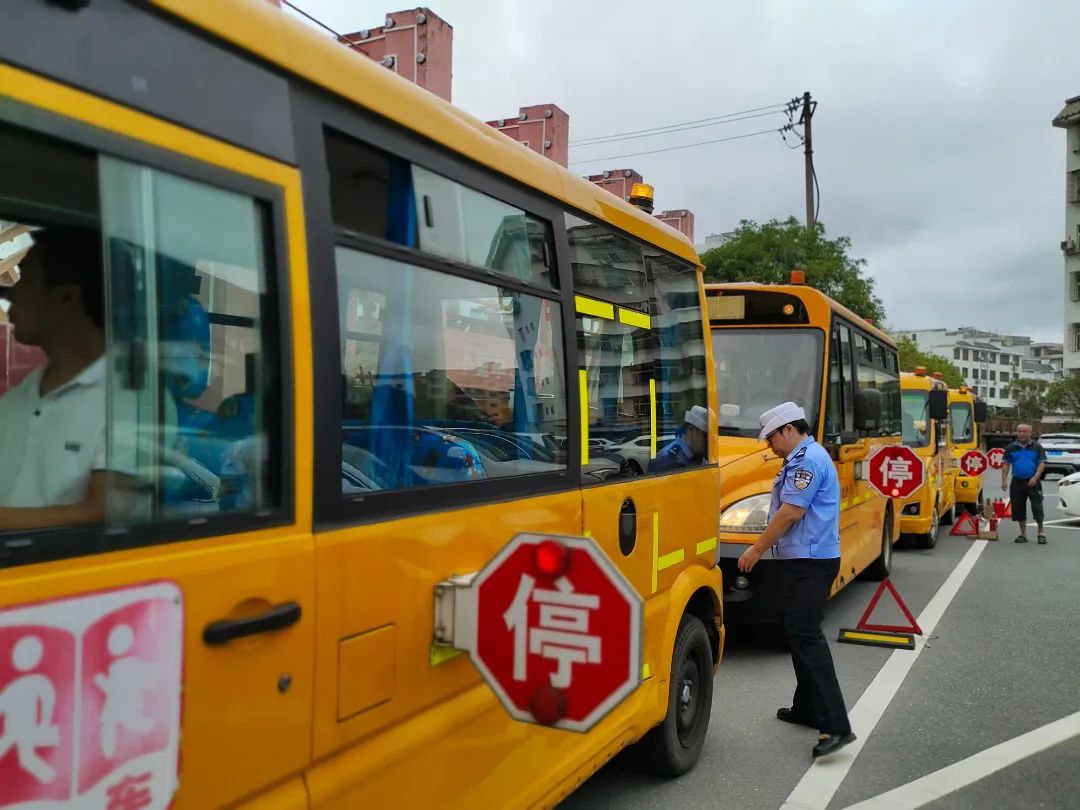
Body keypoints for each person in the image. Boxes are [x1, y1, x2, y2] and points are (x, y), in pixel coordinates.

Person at [737, 401, 854, 759]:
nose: (769, 445)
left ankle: (836, 727)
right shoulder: (802, 457)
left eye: (771, 437)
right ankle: (806, 707)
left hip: (811, 563)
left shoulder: (807, 461)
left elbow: (791, 511)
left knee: (806, 635)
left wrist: (756, 549)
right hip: (804, 560)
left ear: (789, 430)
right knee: (797, 631)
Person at [0, 224, 114, 532]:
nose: (10, 295)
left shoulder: (130, 399)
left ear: (65, 296)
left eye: (24, 279)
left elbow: (108, 514)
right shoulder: (16, 400)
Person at [1001, 423, 1047, 544]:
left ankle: (1040, 532)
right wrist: (1004, 480)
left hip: (1033, 482)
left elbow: (1042, 464)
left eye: (1024, 431)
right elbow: (1006, 463)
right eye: (1019, 431)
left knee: (1037, 507)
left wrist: (1035, 478)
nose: (1022, 433)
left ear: (1030, 433)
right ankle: (1023, 534)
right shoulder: (1011, 448)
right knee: (1018, 509)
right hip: (1017, 482)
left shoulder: (1037, 447)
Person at [646, 405, 708, 473]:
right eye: (705, 435)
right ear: (691, 430)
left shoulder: (698, 455)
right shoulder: (668, 459)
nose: (708, 441)